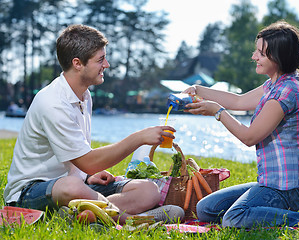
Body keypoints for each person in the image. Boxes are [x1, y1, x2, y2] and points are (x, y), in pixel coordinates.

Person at [4, 24, 184, 225]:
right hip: (31, 191)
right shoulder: (52, 102)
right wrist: (139, 138)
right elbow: (88, 161)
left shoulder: (84, 95)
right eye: (100, 59)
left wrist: (89, 175)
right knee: (72, 187)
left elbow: (78, 157)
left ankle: (80, 214)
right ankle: (130, 221)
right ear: (78, 63)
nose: (106, 64)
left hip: (75, 182)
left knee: (149, 190)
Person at [183, 21, 299, 228]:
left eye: (261, 53)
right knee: (205, 208)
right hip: (271, 183)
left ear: (279, 57)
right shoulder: (274, 84)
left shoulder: (287, 91)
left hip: (287, 189)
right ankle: (263, 213)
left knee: (233, 218)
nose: (254, 56)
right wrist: (198, 89)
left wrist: (217, 111)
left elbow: (249, 137)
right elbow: (239, 101)